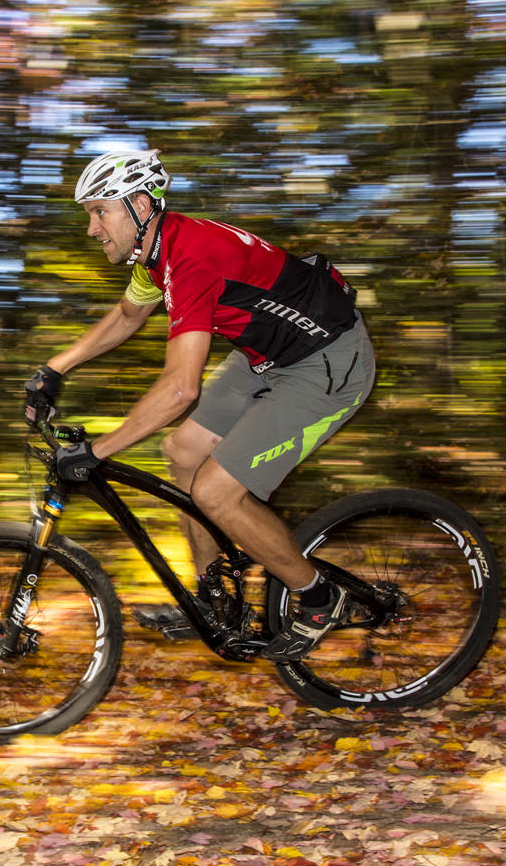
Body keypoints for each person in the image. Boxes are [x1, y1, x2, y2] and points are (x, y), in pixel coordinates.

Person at [22, 148, 376, 661]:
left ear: (141, 204)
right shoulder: (158, 253)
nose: (92, 229)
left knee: (216, 491)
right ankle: (217, 602)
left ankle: (320, 596)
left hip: (329, 361)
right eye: (90, 215)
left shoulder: (192, 257)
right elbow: (127, 316)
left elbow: (180, 389)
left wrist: (99, 451)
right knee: (184, 451)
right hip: (269, 356)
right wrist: (56, 368)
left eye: (101, 212)